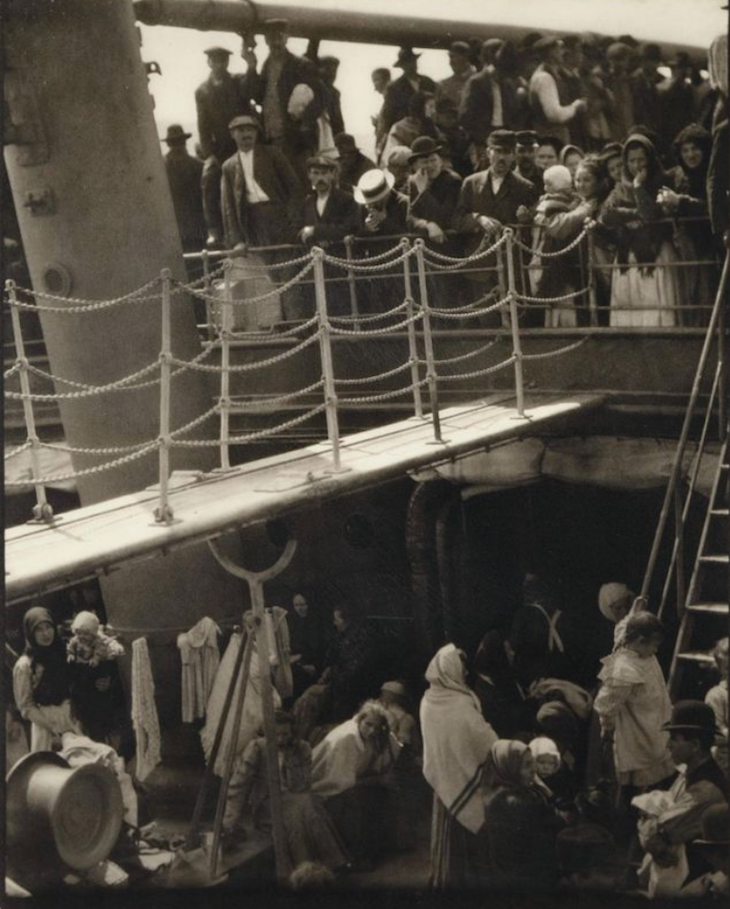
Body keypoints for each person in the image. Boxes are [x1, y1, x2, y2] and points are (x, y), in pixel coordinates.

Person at [221, 710, 350, 872]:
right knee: (305, 806)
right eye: (277, 735)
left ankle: (310, 870)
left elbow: (303, 785)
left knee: (303, 807)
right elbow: (238, 785)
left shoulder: (302, 748)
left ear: (292, 732)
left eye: (286, 734)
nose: (282, 739)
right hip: (268, 806)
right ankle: (323, 865)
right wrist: (229, 821)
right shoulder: (257, 748)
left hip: (296, 803)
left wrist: (291, 758)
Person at [420, 643, 498, 888]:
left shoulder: (428, 699)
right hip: (460, 776)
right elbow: (483, 739)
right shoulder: (458, 703)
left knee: (449, 830)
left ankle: (448, 878)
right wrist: (497, 745)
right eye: (462, 668)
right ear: (449, 670)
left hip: (445, 780)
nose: (465, 673)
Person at [637, 701, 729, 895]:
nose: (668, 745)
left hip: (694, 883)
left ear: (695, 745)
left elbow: (660, 831)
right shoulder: (686, 775)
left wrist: (651, 829)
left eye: (674, 738)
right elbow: (649, 816)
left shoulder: (707, 789)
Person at [453, 130, 538, 318]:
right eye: (497, 152)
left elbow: (532, 231)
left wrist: (525, 220)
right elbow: (457, 220)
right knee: (486, 323)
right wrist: (478, 219)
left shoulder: (525, 187)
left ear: (513, 155)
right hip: (480, 267)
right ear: (488, 152)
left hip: (511, 267)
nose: (502, 158)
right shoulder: (471, 184)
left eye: (507, 153)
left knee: (517, 320)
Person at [600, 132, 679, 327]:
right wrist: (635, 214)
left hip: (656, 253)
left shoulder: (663, 181)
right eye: (631, 161)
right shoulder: (618, 188)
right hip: (629, 255)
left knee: (656, 307)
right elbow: (606, 216)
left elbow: (651, 215)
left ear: (650, 160)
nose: (637, 166)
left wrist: (638, 187)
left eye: (641, 160)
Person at [311, 700, 401, 869]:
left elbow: (391, 747)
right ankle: (356, 857)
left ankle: (379, 848)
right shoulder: (348, 738)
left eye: (376, 726)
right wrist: (379, 780)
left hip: (348, 781)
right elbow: (341, 782)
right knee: (355, 801)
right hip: (323, 787)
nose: (372, 730)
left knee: (379, 794)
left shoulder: (373, 734)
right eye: (368, 724)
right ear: (359, 720)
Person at [594, 612, 674, 792]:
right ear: (639, 640)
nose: (656, 650)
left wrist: (636, 608)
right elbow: (607, 704)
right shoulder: (624, 669)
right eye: (654, 645)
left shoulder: (640, 651)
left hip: (654, 713)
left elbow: (624, 626)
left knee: (661, 745)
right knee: (645, 759)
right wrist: (607, 727)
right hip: (638, 725)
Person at [246, 19, 323, 183]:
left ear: (287, 38)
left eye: (279, 37)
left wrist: (304, 125)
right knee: (280, 189)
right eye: (271, 38)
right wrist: (251, 66)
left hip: (294, 142)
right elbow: (257, 96)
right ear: (266, 40)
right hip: (271, 138)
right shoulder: (267, 66)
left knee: (299, 187)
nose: (276, 41)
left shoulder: (300, 65)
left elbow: (321, 98)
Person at [482, 739, 564, 890]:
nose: (534, 770)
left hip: (501, 874)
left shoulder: (491, 794)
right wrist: (547, 792)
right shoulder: (525, 801)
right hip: (530, 877)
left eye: (532, 762)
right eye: (526, 765)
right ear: (510, 767)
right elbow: (562, 821)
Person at [195, 46, 254, 248]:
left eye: (222, 60)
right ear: (208, 63)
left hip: (242, 143)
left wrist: (250, 64)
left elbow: (251, 90)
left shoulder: (238, 82)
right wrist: (209, 154)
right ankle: (214, 230)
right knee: (209, 177)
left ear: (227, 62)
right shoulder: (202, 91)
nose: (218, 64)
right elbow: (203, 126)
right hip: (220, 148)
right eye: (214, 60)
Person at [661, 123, 718, 326]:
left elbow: (715, 206)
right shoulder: (679, 175)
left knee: (710, 289)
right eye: (685, 150)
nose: (690, 155)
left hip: (713, 242)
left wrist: (681, 201)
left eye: (695, 149)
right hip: (688, 243)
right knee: (692, 290)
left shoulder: (714, 172)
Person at [296, 155, 361, 317]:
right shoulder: (307, 202)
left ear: (332, 175)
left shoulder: (346, 199)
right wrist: (313, 236)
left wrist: (316, 231)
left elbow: (351, 227)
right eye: (316, 173)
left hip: (339, 264)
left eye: (324, 174)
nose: (320, 178)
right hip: (316, 265)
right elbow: (299, 231)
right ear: (310, 176)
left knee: (341, 308)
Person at [12, 606, 79, 752]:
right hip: (46, 725)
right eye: (38, 629)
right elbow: (26, 706)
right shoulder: (25, 665)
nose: (45, 634)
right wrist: (53, 728)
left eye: (48, 627)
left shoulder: (64, 652)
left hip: (72, 717)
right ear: (30, 633)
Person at [471, 629, 529, 738]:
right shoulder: (484, 695)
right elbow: (512, 722)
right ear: (499, 656)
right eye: (507, 651)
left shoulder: (497, 678)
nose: (512, 654)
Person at [406, 135, 462, 249]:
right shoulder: (412, 182)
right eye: (425, 162)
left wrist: (423, 193)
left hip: (448, 245)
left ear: (441, 161)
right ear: (415, 166)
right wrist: (427, 225)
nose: (430, 166)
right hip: (421, 246)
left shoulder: (452, 181)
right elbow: (409, 217)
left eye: (433, 160)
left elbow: (445, 218)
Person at [529, 37, 587, 146]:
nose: (563, 53)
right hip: (549, 138)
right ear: (551, 53)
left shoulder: (553, 74)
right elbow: (554, 115)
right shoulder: (544, 78)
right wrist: (575, 106)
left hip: (556, 136)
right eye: (559, 49)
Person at [161, 124, 207, 259]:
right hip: (197, 228)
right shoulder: (199, 165)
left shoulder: (160, 167)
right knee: (201, 267)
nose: (177, 146)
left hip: (173, 229)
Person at [379, 47, 436, 138]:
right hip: (407, 132)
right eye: (408, 62)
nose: (412, 64)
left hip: (430, 129)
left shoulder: (428, 82)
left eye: (413, 61)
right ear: (402, 66)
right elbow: (389, 115)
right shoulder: (394, 87)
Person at [287, 592, 327, 702]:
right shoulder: (291, 622)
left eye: (303, 605)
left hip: (316, 665)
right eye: (296, 605)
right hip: (298, 666)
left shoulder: (318, 622)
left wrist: (313, 664)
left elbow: (321, 647)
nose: (299, 608)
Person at [381, 92, 438, 164]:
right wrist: (416, 155)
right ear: (419, 107)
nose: (434, 111)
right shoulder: (400, 128)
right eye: (431, 106)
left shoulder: (433, 128)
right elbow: (392, 154)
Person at [630, 43, 664, 140]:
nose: (653, 65)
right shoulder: (633, 80)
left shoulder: (661, 80)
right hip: (637, 129)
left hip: (656, 130)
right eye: (649, 61)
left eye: (655, 61)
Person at [705, 638, 728, 775]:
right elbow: (717, 734)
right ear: (720, 669)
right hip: (725, 762)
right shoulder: (717, 696)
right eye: (728, 668)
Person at [604, 43, 636, 143]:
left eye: (624, 59)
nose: (621, 63)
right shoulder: (605, 80)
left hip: (629, 127)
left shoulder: (630, 81)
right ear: (610, 60)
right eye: (617, 59)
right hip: (612, 129)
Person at [436, 41, 477, 112]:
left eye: (454, 57)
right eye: (450, 58)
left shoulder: (479, 81)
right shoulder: (443, 84)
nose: (451, 62)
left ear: (466, 57)